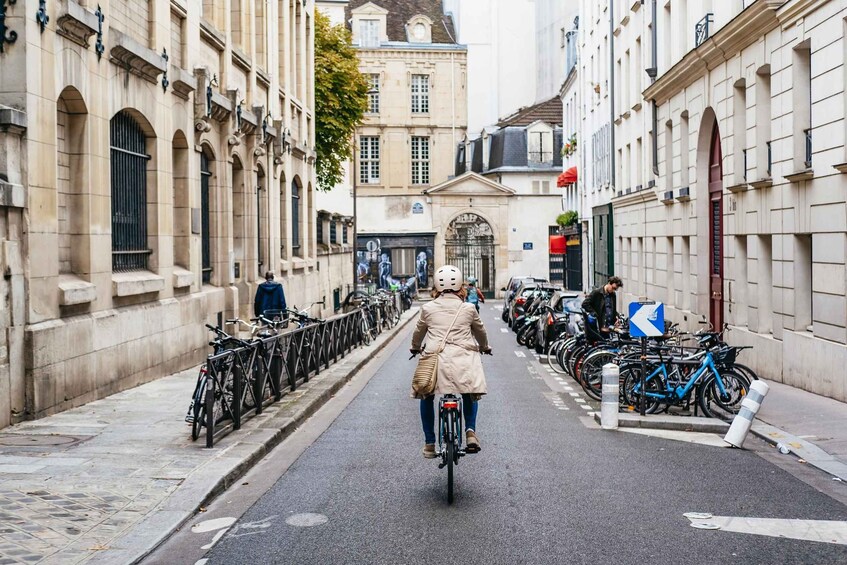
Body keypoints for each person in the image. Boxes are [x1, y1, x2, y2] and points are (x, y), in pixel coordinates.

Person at [410, 265, 491, 458]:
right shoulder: (468, 308)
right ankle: (470, 431)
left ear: (436, 287)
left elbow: (418, 333)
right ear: (460, 287)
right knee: (469, 392)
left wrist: (415, 347)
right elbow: (480, 332)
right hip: (463, 360)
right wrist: (485, 346)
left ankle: (430, 443)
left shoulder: (428, 308)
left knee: (426, 396)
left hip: (435, 361)